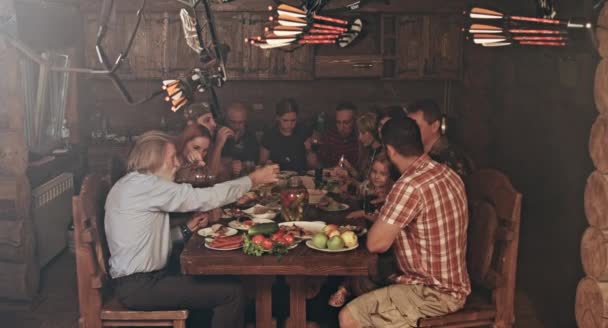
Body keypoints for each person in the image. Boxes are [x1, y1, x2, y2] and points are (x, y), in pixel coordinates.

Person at [105, 131, 279, 328]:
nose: (177, 164)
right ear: (155, 159)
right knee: (232, 293)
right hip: (141, 287)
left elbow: (143, 242)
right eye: (172, 158)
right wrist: (253, 180)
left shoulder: (135, 184)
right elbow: (204, 197)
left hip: (140, 282)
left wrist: (186, 230)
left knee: (221, 285)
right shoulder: (145, 186)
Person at [338, 118, 470, 328]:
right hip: (453, 284)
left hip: (433, 294)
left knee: (349, 317)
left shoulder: (409, 185)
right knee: (363, 284)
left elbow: (375, 243)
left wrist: (388, 203)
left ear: (390, 150)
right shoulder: (447, 173)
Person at [328, 153, 394, 308]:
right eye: (374, 172)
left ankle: (344, 288)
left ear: (390, 176)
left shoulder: (392, 192)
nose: (377, 177)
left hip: (385, 242)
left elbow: (384, 222)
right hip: (367, 233)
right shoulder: (369, 187)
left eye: (382, 174)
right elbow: (357, 190)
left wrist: (363, 214)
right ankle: (343, 285)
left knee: (362, 254)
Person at [406, 99, 474, 177]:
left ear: (435, 126)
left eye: (416, 126)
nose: (409, 132)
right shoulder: (418, 154)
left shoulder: (451, 158)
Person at [259, 98, 316, 173]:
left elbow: (314, 165)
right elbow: (261, 163)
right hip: (278, 178)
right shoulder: (269, 135)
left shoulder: (304, 131)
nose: (289, 125)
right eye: (285, 120)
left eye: (293, 120)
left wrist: (309, 150)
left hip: (300, 177)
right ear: (278, 118)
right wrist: (266, 165)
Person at [183, 102, 235, 179]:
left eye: (213, 119)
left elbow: (220, 170)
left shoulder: (208, 141)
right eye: (207, 120)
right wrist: (219, 145)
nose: (214, 124)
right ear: (191, 124)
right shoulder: (186, 146)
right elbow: (211, 176)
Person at [221, 103, 260, 177]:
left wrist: (244, 165)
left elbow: (254, 160)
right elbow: (212, 162)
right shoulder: (218, 133)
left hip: (245, 177)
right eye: (233, 122)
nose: (237, 126)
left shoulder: (250, 135)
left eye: (241, 122)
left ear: (245, 120)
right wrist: (229, 164)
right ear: (226, 120)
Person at [319, 102, 359, 168]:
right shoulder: (330, 136)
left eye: (346, 122)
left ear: (355, 121)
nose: (341, 127)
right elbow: (321, 165)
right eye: (338, 122)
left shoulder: (361, 139)